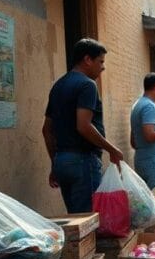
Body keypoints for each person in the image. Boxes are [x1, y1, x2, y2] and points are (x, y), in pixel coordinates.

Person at [43, 38, 123, 213]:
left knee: (76, 223)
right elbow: (83, 126)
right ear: (87, 60)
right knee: (89, 223)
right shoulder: (87, 85)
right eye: (100, 61)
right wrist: (112, 149)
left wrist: (55, 162)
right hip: (82, 161)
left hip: (62, 162)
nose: (103, 67)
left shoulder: (58, 86)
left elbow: (46, 130)